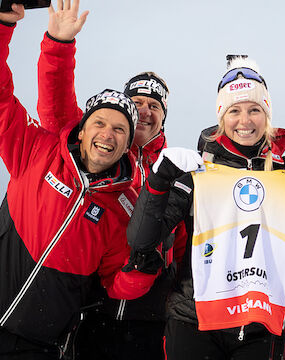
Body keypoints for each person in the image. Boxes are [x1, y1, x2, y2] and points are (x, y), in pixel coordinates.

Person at [0, 1, 158, 358]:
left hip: (35, 344)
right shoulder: (37, 150)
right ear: (83, 128)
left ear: (127, 145)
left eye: (120, 129)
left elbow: (115, 283)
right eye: (100, 123)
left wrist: (141, 273)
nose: (108, 134)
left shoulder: (125, 208)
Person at [126, 57, 285, 360]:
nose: (244, 121)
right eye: (234, 110)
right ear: (222, 116)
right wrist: (158, 180)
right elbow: (142, 239)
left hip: (260, 324)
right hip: (194, 320)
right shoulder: (199, 172)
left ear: (267, 115)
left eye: (254, 110)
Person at [35, 2, 182, 359]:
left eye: (155, 105)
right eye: (137, 102)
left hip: (151, 318)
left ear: (164, 117)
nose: (145, 111)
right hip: (91, 310)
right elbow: (56, 110)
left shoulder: (177, 170)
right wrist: (58, 43)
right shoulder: (100, 159)